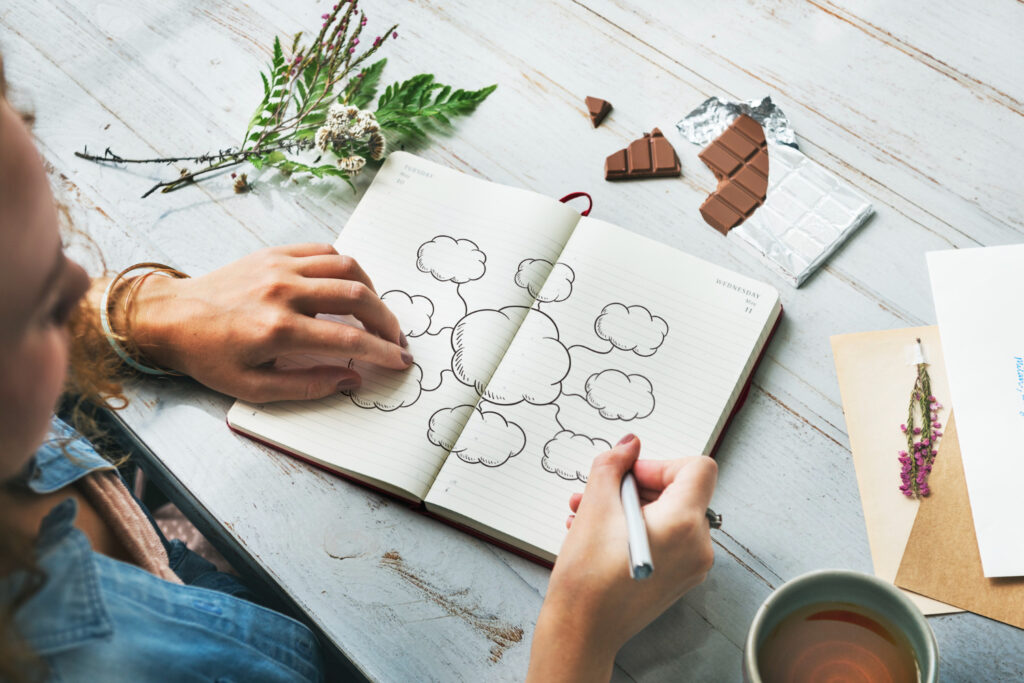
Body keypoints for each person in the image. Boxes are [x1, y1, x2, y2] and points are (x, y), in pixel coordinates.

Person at [0, 52, 716, 682]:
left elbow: (86, 305)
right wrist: (576, 636)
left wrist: (139, 313)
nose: (76, 287)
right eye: (32, 304)